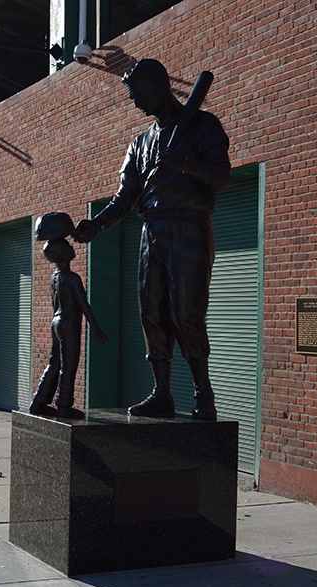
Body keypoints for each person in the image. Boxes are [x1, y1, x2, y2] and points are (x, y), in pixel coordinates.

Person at [73, 59, 231, 421]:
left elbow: (223, 177)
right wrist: (95, 226)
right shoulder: (140, 144)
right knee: (151, 313)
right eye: (132, 97)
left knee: (186, 311)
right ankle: (162, 393)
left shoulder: (202, 125)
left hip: (189, 226)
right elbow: (124, 198)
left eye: (139, 94)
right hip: (152, 229)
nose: (136, 103)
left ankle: (202, 393)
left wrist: (183, 163)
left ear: (160, 85)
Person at [30, 235, 107, 419]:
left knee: (54, 363)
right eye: (68, 246)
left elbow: (54, 302)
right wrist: (95, 326)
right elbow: (82, 303)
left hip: (56, 321)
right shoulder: (72, 278)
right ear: (64, 253)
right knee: (69, 366)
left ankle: (39, 401)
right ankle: (64, 405)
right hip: (69, 323)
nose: (72, 248)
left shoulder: (54, 278)